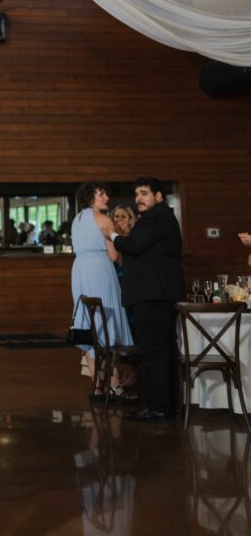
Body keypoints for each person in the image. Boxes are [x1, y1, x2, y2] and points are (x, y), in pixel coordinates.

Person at [104, 178, 185, 423]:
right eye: (136, 194)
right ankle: (164, 406)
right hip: (156, 295)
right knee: (160, 352)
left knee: (153, 353)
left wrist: (113, 236)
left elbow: (134, 245)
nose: (138, 198)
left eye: (144, 193)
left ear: (158, 196)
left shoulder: (157, 218)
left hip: (153, 296)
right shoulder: (158, 218)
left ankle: (158, 408)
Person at [71, 183, 135, 402]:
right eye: (101, 194)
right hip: (100, 271)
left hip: (80, 271)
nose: (106, 197)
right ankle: (115, 387)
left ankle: (97, 387)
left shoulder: (77, 220)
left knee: (90, 327)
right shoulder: (104, 219)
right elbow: (114, 256)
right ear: (91, 198)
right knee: (108, 326)